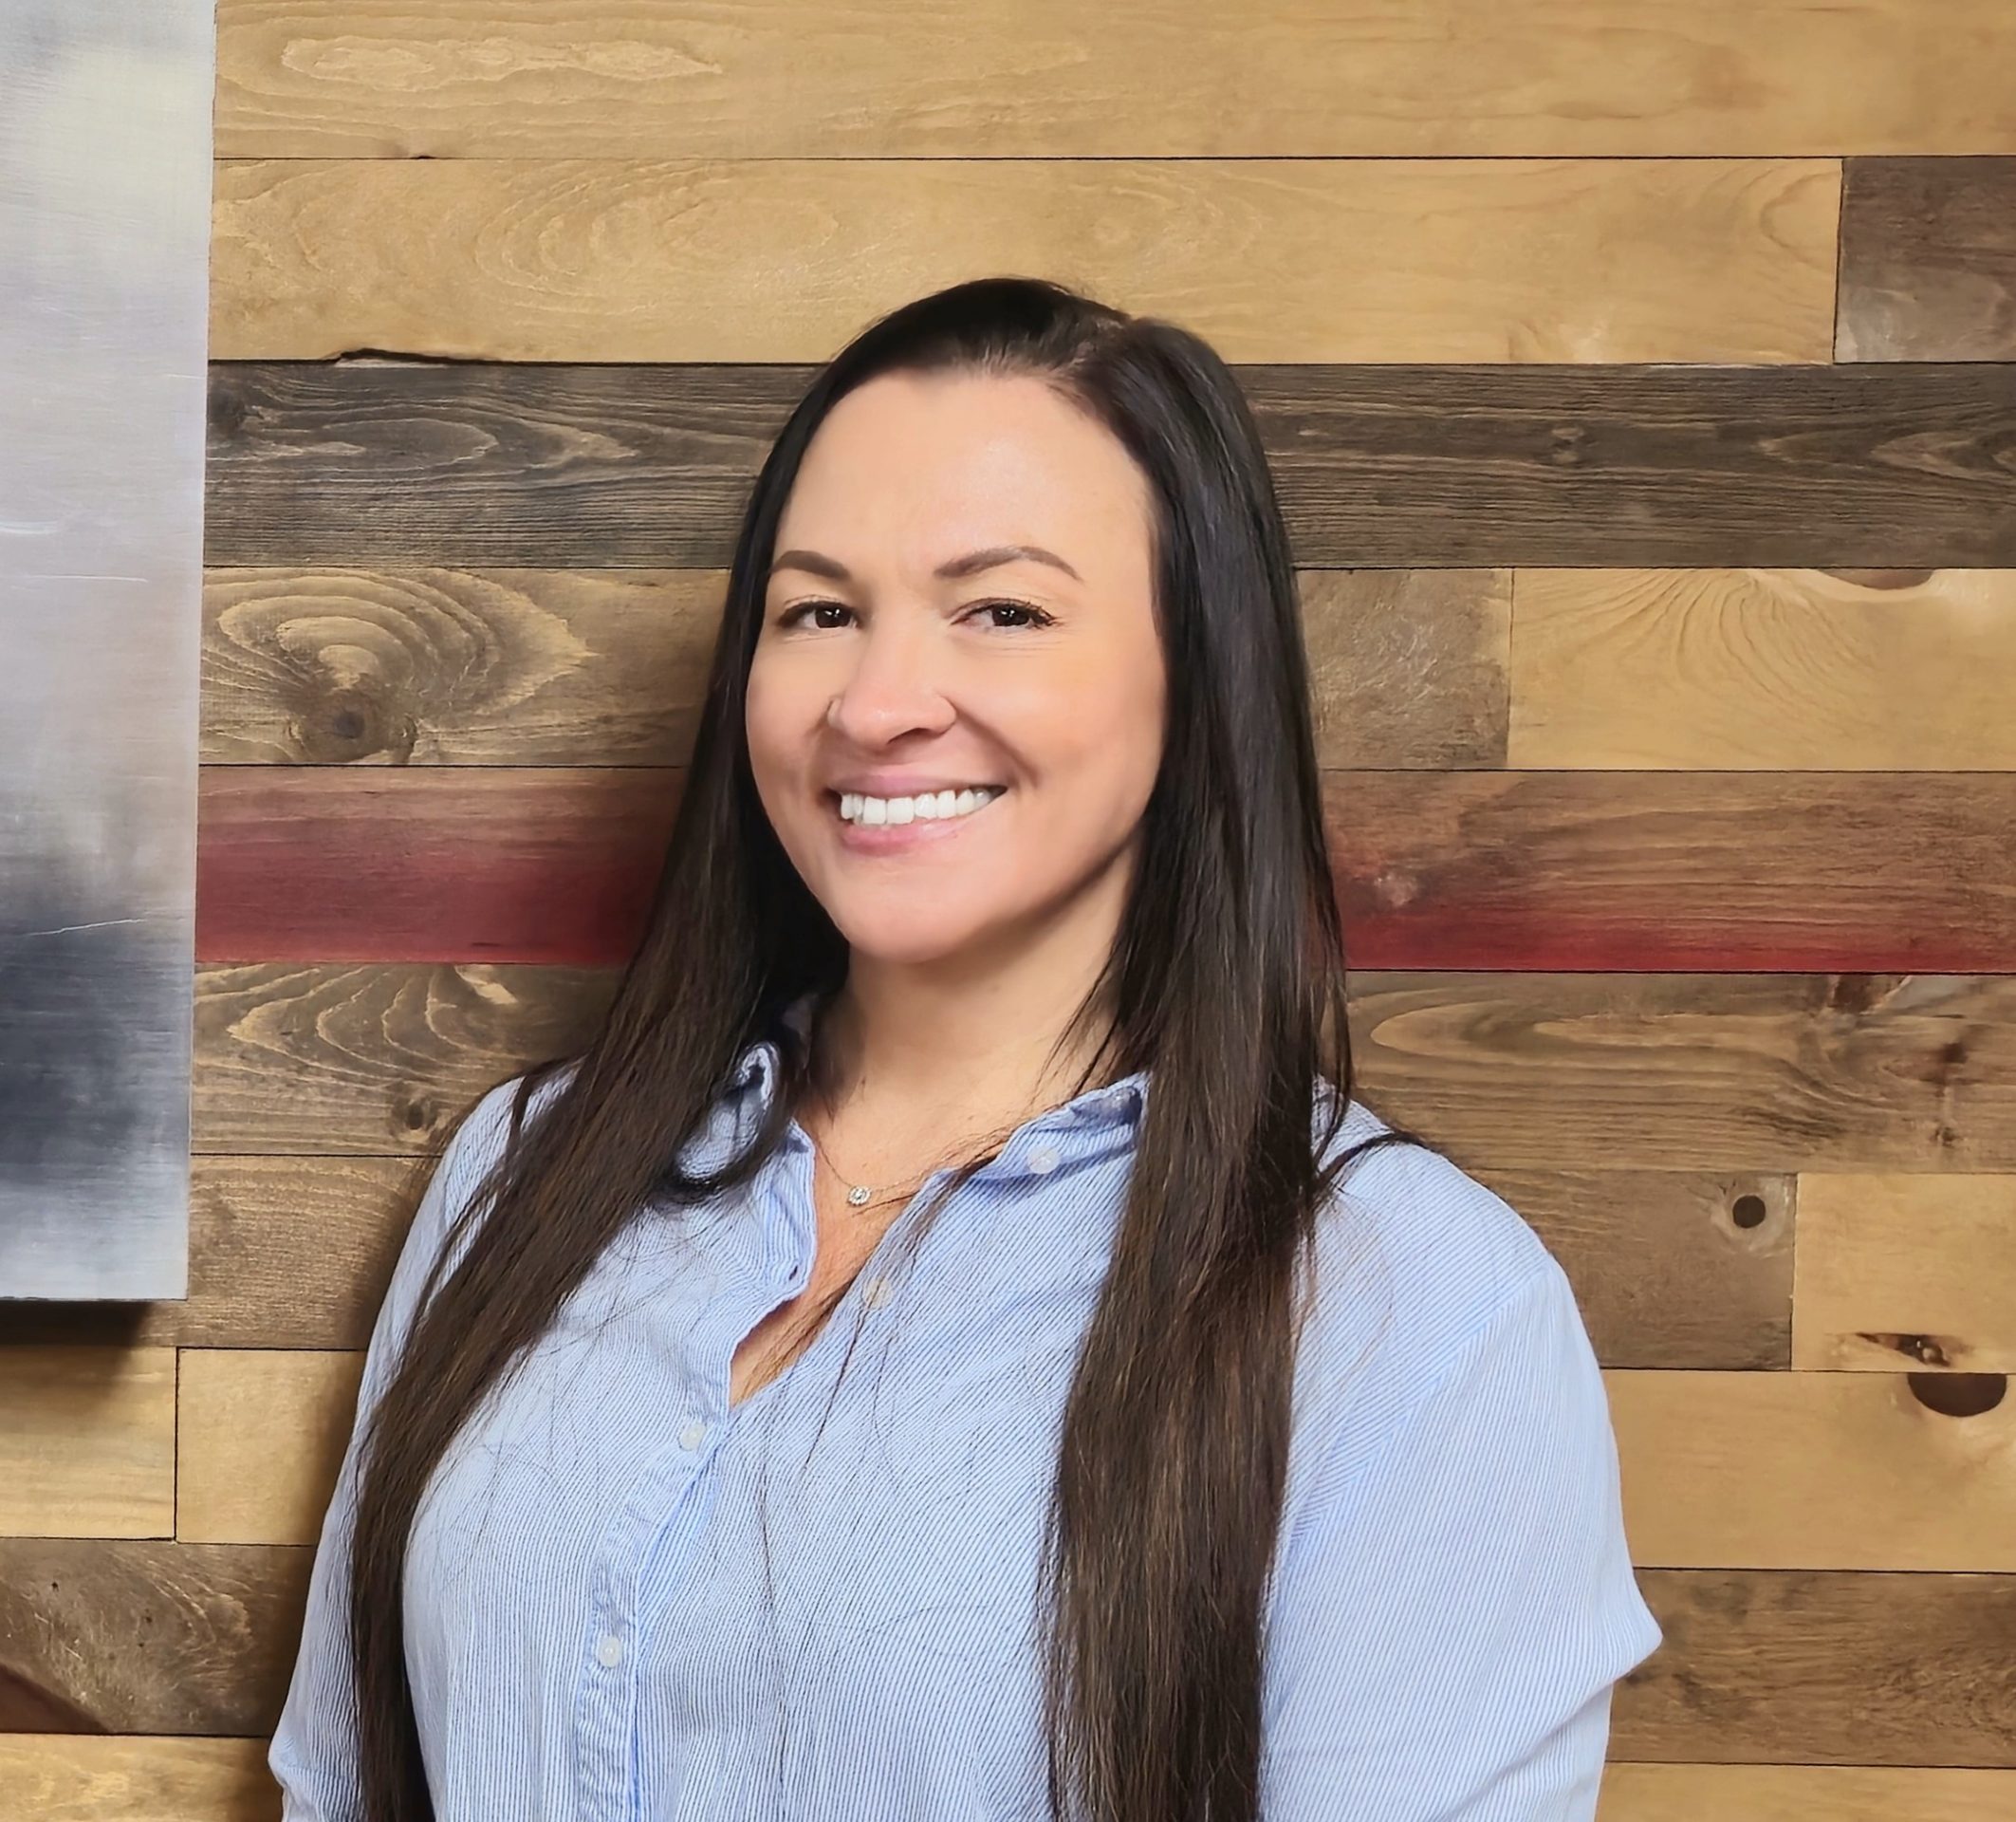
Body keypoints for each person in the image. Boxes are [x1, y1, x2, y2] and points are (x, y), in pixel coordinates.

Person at [268, 276, 1662, 1822]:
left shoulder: (1409, 1307)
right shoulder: (529, 1172)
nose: (875, 704)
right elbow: (342, 1781)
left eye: (1000, 609)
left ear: (1197, 674)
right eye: (818, 612)